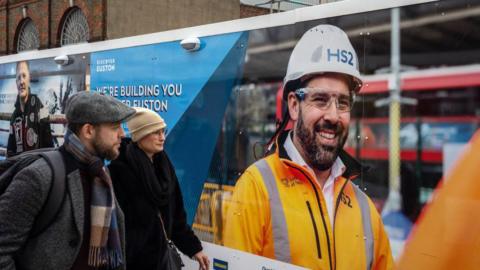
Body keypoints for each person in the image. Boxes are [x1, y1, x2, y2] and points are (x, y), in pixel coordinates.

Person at [223, 24, 393, 270]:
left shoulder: (365, 208)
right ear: (294, 105)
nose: (333, 116)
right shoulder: (256, 189)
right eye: (321, 99)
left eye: (343, 103)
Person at [0, 91, 136, 270]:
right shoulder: (40, 177)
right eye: (115, 127)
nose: (122, 134)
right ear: (88, 130)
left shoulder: (100, 175)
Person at [108, 107, 210, 270]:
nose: (162, 137)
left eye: (163, 131)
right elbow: (114, 226)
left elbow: (177, 219)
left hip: (162, 261)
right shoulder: (119, 171)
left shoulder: (165, 169)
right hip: (133, 263)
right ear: (140, 135)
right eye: (155, 132)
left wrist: (194, 249)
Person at [7, 60, 53, 157]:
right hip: (19, 166)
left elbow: (49, 145)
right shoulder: (15, 115)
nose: (21, 81)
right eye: (19, 78)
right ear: (16, 82)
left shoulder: (40, 108)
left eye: (24, 76)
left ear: (29, 79)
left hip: (35, 167)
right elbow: (10, 149)